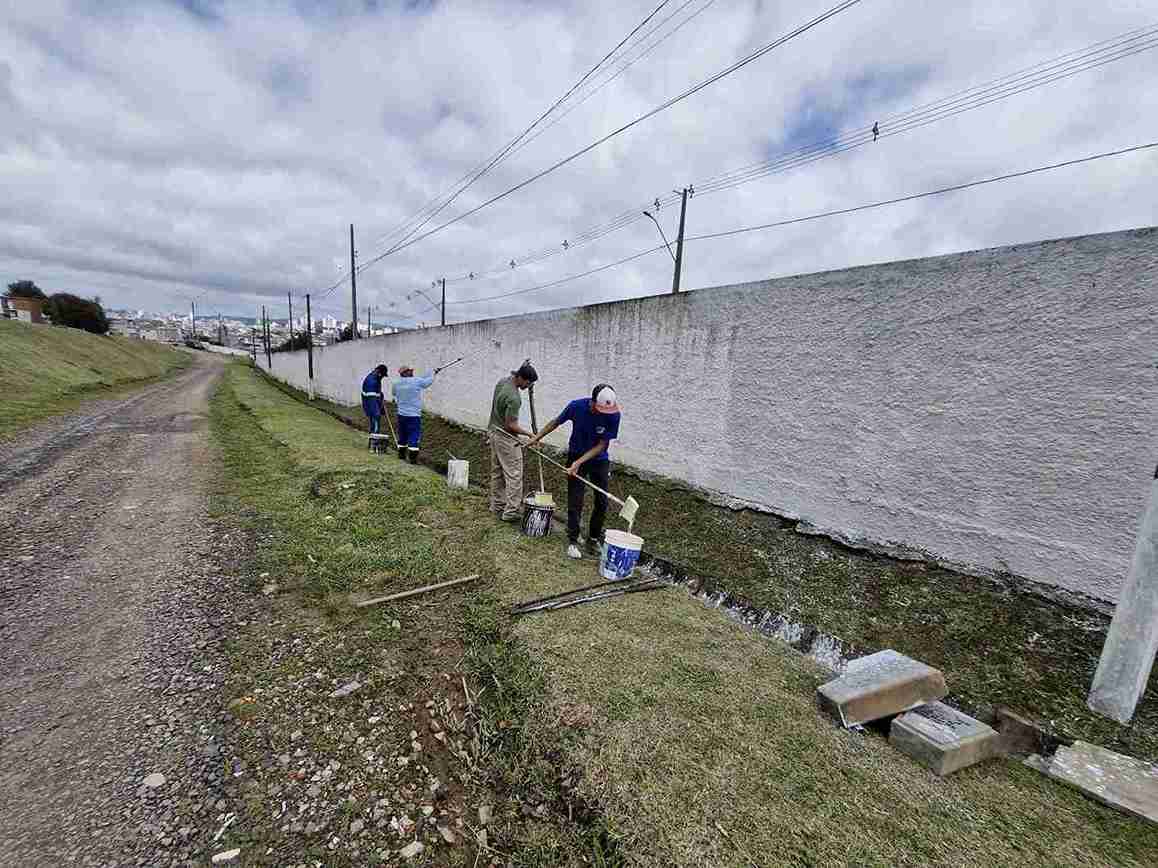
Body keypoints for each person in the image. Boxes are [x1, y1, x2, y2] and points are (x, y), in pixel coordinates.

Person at [526, 384, 621, 560]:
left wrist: (578, 463)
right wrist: (536, 438)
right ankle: (572, 540)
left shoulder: (613, 414)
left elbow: (602, 445)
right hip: (576, 453)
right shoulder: (576, 406)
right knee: (575, 500)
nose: (604, 414)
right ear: (592, 402)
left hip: (598, 459)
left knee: (602, 502)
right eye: (600, 409)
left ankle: (592, 539)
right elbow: (556, 422)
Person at [488, 362, 537, 522]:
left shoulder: (503, 382)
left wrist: (524, 366)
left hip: (494, 432)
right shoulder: (514, 398)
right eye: (528, 383)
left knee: (497, 473)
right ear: (522, 378)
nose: (529, 386)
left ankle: (497, 506)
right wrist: (529, 434)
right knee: (514, 474)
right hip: (505, 437)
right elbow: (511, 425)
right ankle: (511, 512)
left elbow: (514, 374)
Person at [392, 365, 435, 463]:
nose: (412, 372)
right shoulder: (416, 381)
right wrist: (433, 374)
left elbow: (394, 393)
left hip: (401, 414)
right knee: (413, 435)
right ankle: (413, 459)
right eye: (410, 371)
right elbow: (427, 383)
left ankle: (401, 455)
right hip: (414, 415)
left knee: (402, 434)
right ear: (406, 372)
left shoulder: (396, 383)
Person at [360, 364, 389, 448]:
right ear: (379, 373)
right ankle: (374, 444)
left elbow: (377, 393)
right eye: (383, 376)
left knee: (375, 423)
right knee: (375, 422)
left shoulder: (376, 378)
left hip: (374, 404)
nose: (382, 377)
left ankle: (373, 442)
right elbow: (371, 401)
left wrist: (381, 398)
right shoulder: (371, 382)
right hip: (371, 407)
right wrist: (378, 412)